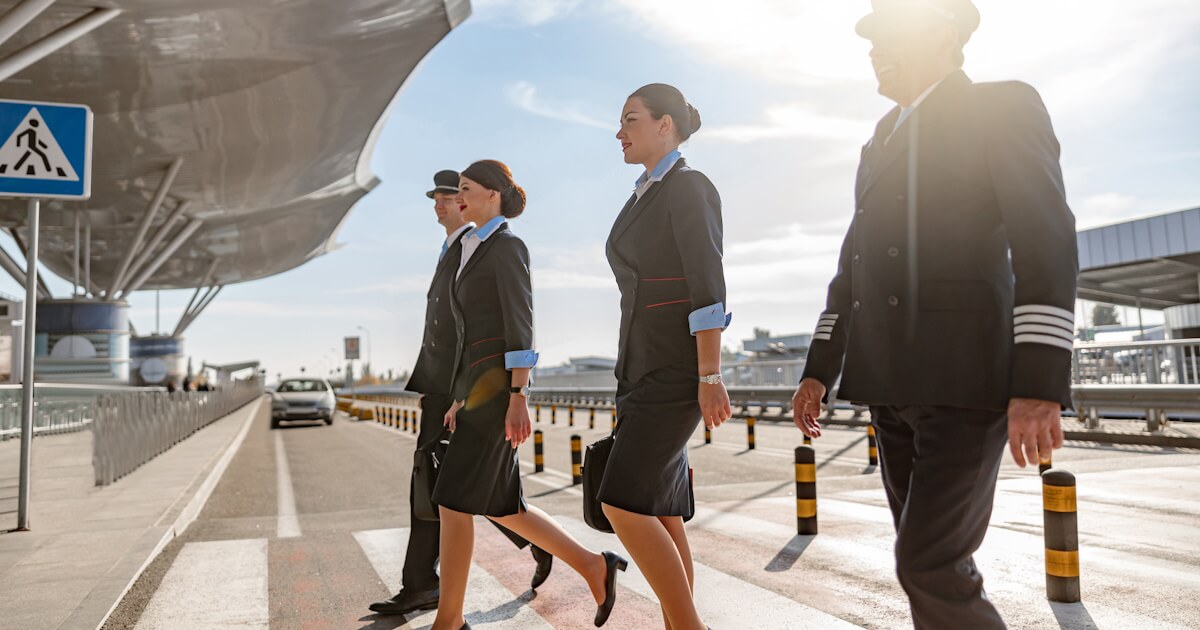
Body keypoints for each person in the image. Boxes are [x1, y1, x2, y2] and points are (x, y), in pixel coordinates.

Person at [792, 1, 1078, 628]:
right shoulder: (880, 138)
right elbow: (853, 269)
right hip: (891, 383)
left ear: (944, 33)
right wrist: (820, 368)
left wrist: (1038, 383)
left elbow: (1046, 243)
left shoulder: (1001, 106)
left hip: (965, 377)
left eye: (889, 35)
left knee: (930, 562)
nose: (872, 49)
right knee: (921, 563)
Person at [431, 160, 627, 630]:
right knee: (504, 507)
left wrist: (520, 393)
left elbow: (520, 325)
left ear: (493, 195)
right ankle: (595, 566)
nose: (458, 197)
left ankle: (449, 620)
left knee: (453, 502)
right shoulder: (473, 249)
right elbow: (472, 335)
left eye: (466, 189)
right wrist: (460, 395)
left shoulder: (506, 246)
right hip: (479, 394)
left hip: (500, 395)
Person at [369, 170, 553, 617]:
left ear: (475, 200)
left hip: (466, 387)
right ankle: (532, 544)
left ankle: (424, 588)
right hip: (447, 387)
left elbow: (502, 326)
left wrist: (496, 393)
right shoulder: (457, 250)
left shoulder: (486, 248)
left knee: (445, 487)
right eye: (437, 198)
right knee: (451, 487)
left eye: (450, 197)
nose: (441, 204)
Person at [601, 83, 731, 630]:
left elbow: (708, 286)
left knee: (623, 500)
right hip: (639, 368)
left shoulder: (687, 187)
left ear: (665, 126)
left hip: (676, 369)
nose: (620, 132)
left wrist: (709, 374)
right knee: (659, 505)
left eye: (631, 119)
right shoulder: (644, 193)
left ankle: (688, 626)